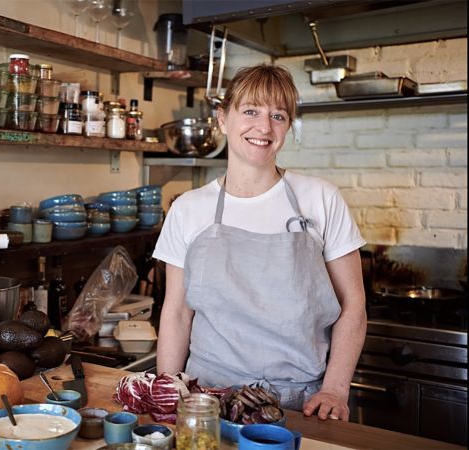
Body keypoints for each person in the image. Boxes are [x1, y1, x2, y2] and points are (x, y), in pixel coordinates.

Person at [153, 64, 367, 421]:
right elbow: (176, 313)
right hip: (208, 400)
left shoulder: (320, 198)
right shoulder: (188, 210)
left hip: (299, 404)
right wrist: (166, 390)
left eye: (278, 116)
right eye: (251, 111)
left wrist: (335, 389)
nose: (264, 127)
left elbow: (354, 304)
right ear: (223, 119)